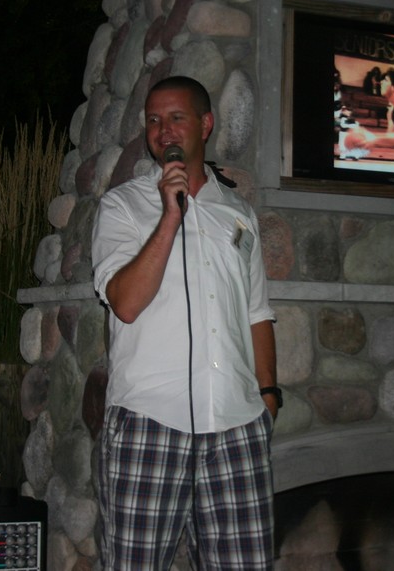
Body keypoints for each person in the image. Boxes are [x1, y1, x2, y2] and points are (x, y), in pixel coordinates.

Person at [91, 76, 279, 570]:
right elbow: (125, 303)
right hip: (150, 425)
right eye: (154, 120)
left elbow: (257, 312)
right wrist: (170, 216)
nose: (164, 130)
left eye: (176, 117)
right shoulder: (121, 207)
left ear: (206, 124)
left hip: (238, 429)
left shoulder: (238, 213)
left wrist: (268, 398)